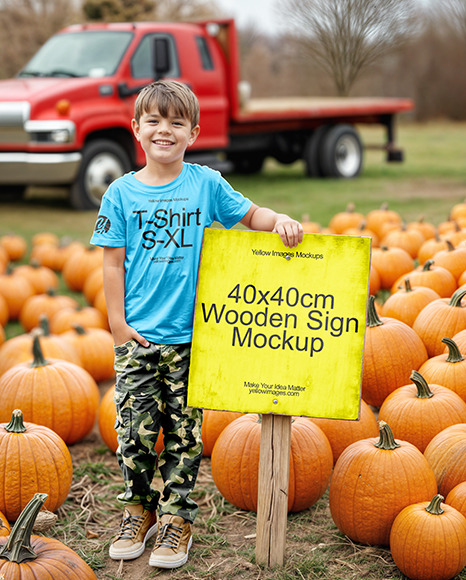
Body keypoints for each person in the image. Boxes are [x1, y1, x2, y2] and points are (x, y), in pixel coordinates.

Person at [90, 79, 303, 569]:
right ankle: (138, 509)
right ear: (136, 130)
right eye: (154, 121)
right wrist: (117, 325)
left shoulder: (206, 185)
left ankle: (177, 520)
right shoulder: (119, 195)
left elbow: (251, 214)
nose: (165, 130)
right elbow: (110, 265)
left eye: (176, 122)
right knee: (135, 434)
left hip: (193, 340)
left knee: (185, 437)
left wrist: (281, 220)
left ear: (193, 132)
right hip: (138, 339)